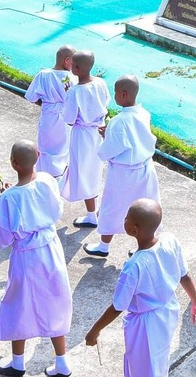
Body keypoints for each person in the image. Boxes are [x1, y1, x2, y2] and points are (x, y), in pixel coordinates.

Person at [83, 197, 196, 377]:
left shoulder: (135, 266)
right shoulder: (170, 241)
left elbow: (118, 305)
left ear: (135, 229)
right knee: (154, 374)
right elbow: (184, 275)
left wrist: (95, 330)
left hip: (146, 325)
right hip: (166, 314)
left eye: (127, 217)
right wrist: (195, 302)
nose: (124, 220)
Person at [0, 138, 75, 377]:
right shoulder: (48, 181)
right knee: (54, 300)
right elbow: (57, 210)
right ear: (38, 156)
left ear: (13, 164)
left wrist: (7, 197)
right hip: (50, 246)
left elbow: (3, 237)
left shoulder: (9, 198)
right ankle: (62, 361)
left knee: (19, 303)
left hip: (26, 255)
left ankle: (18, 362)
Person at [87, 75, 157, 259]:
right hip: (145, 170)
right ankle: (143, 245)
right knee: (144, 211)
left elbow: (110, 150)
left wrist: (106, 137)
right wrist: (110, 134)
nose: (115, 96)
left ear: (124, 94)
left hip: (124, 174)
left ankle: (104, 245)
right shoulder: (143, 113)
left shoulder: (119, 121)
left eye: (116, 93)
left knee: (112, 208)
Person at [63, 52, 108, 226]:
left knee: (83, 172)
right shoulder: (100, 83)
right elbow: (105, 102)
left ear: (76, 68)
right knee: (94, 170)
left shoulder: (74, 92)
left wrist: (68, 95)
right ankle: (93, 211)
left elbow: (68, 118)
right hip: (98, 132)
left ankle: (91, 215)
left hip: (82, 135)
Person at [24, 46, 74, 179]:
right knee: (63, 150)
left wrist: (47, 100)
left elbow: (31, 97)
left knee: (45, 150)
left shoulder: (43, 75)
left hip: (48, 118)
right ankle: (59, 179)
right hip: (66, 119)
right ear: (67, 60)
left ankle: (43, 179)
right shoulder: (73, 78)